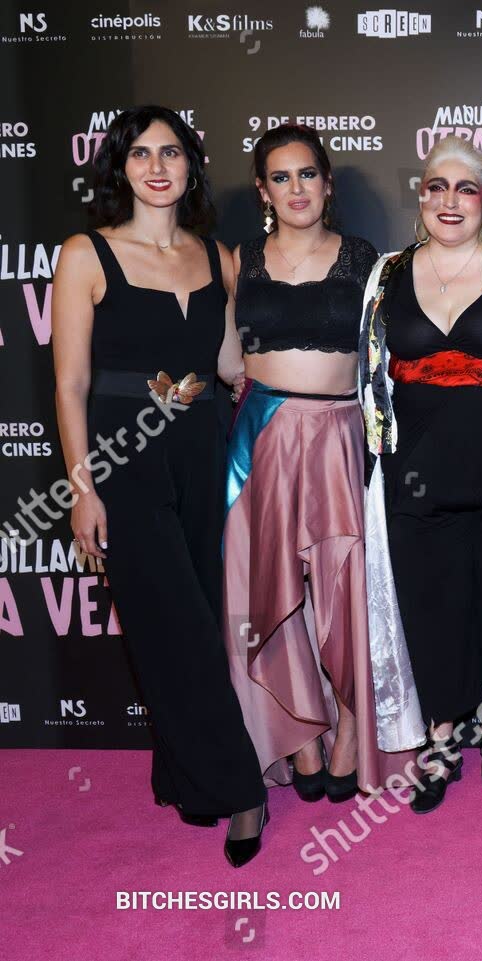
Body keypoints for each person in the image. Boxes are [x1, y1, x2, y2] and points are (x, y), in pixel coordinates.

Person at [51, 105, 268, 865]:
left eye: (170, 152)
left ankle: (183, 775)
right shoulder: (86, 254)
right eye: (140, 153)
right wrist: (82, 489)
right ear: (120, 167)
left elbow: (232, 365)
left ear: (190, 165)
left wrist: (314, 365)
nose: (156, 166)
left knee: (198, 617)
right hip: (123, 458)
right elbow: (70, 384)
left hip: (202, 451)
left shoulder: (217, 257)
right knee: (172, 627)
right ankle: (241, 791)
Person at [358, 134, 482, 814]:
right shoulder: (385, 275)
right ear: (421, 197)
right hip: (414, 472)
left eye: (465, 188)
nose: (450, 200)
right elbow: (368, 379)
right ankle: (442, 737)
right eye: (436, 187)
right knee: (431, 605)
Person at [221, 123, 413, 805]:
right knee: (270, 593)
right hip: (263, 438)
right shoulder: (239, 259)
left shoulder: (365, 259)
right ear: (262, 190)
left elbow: (388, 354)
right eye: (281, 177)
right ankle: (300, 738)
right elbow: (225, 356)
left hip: (340, 435)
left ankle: (352, 735)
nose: (296, 188)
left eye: (307, 174)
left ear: (327, 184)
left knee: (346, 592)